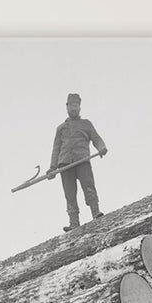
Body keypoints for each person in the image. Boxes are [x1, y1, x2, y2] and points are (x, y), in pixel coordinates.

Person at [47, 93, 107, 232]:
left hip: (82, 161)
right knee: (69, 193)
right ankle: (74, 223)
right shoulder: (61, 128)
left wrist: (102, 147)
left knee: (88, 186)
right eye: (71, 105)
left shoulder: (86, 124)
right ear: (67, 107)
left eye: (76, 105)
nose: (74, 108)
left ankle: (95, 213)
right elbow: (56, 149)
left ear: (79, 107)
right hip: (65, 164)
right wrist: (52, 168)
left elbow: (96, 138)